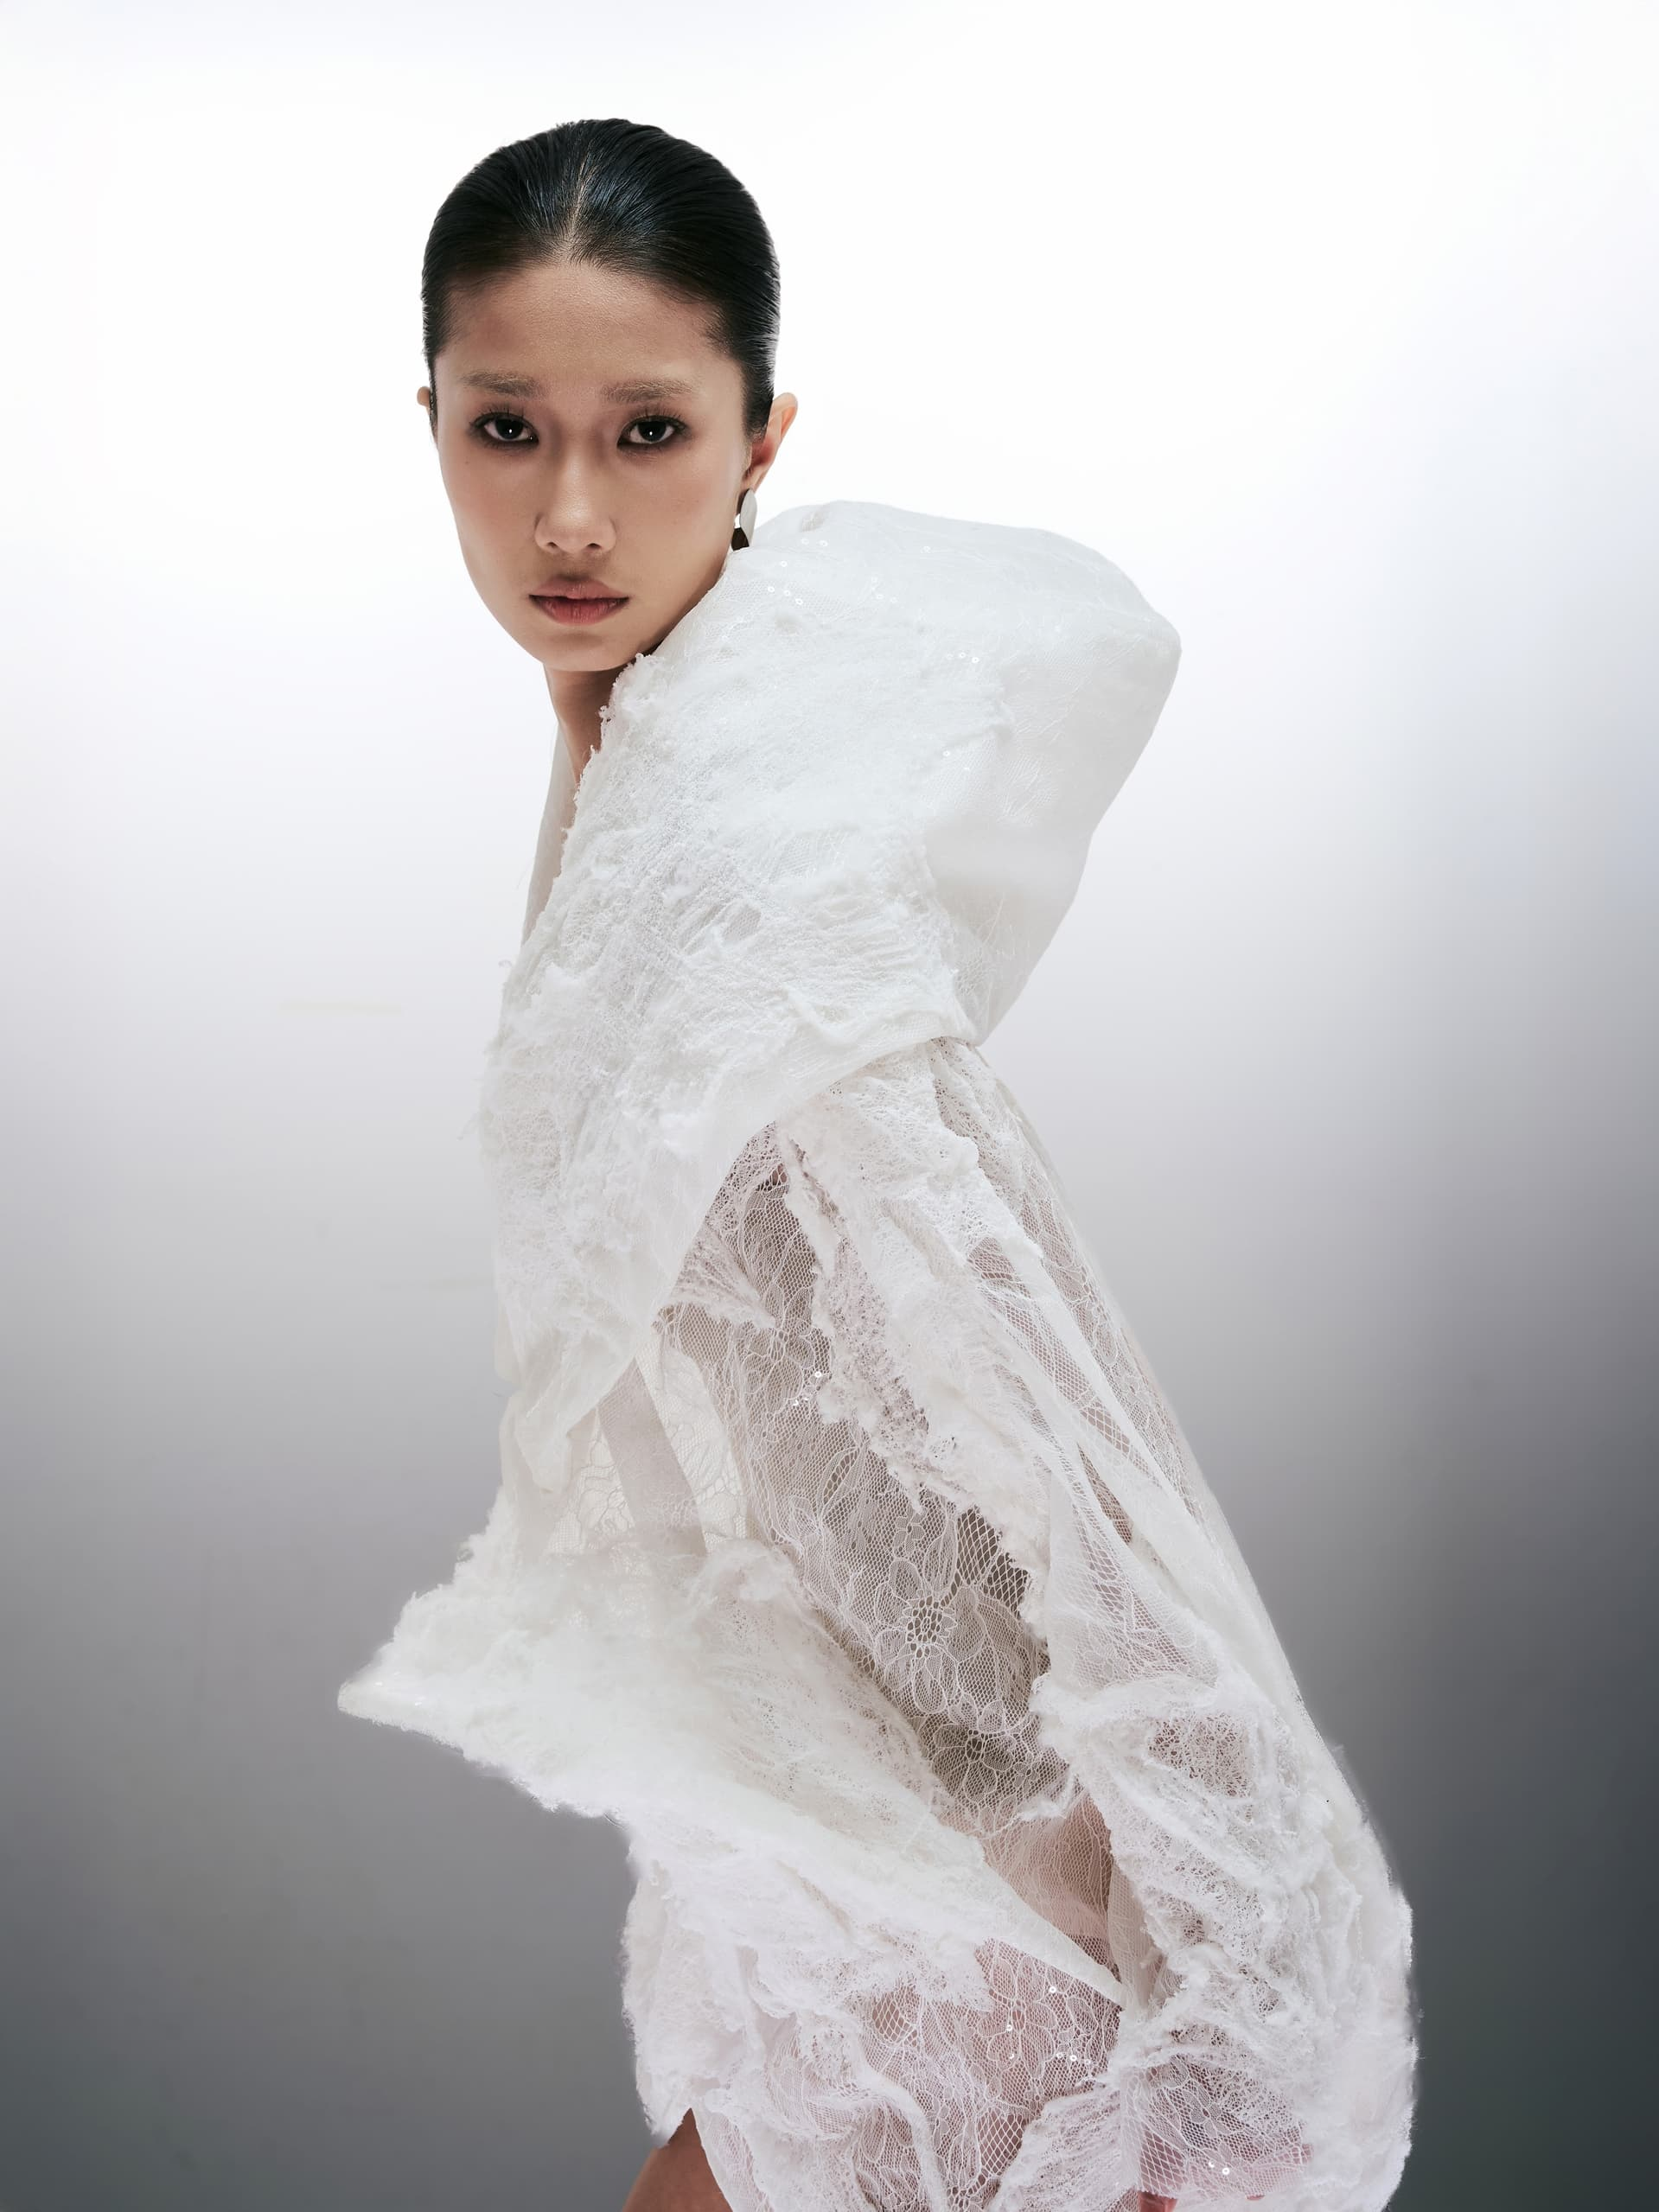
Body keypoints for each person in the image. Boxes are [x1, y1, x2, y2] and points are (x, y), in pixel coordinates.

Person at [339, 118, 1420, 2212]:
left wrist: (1227, 1983)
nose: (569, 512)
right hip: (851, 1867)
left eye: (649, 430)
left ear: (761, 439)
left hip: (1003, 1910)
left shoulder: (755, 879)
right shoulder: (655, 775)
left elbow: (1067, 1430)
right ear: (433, 427)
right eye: (506, 429)